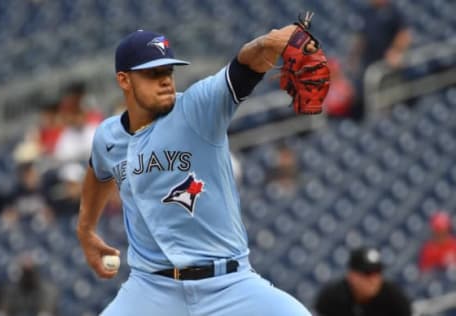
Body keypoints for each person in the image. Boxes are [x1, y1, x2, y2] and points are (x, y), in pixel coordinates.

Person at [77, 27, 313, 315]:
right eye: (152, 74)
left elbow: (244, 66)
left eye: (168, 72)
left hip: (228, 284)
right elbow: (98, 172)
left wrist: (266, 43)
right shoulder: (108, 136)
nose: (165, 81)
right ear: (124, 80)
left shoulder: (197, 108)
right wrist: (86, 230)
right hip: (151, 290)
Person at [347, 0, 412, 120]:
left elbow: (404, 34)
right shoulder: (366, 13)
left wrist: (396, 51)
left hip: (386, 65)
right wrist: (353, 59)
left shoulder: (393, 12)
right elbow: (361, 39)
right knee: (362, 96)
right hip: (369, 63)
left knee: (387, 96)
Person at [314, 247, 411, 316]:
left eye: (377, 273)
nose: (374, 280)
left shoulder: (394, 298)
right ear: (351, 276)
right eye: (367, 274)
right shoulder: (332, 298)